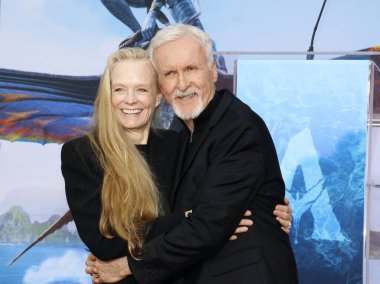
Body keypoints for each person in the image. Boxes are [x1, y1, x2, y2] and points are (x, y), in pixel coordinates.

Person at [85, 24, 298, 284]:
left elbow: (207, 227)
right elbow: (175, 219)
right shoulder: (181, 134)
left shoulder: (239, 127)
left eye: (191, 69)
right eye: (170, 73)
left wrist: (126, 266)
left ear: (213, 71)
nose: (182, 84)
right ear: (159, 86)